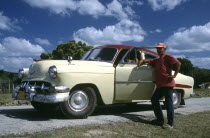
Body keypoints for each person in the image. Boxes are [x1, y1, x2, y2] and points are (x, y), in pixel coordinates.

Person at [137, 43, 181, 130]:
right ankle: (160, 120)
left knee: (168, 104)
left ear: (164, 49)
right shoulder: (157, 60)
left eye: (160, 48)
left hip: (167, 84)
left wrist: (174, 75)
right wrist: (142, 60)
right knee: (154, 99)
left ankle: (170, 123)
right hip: (160, 85)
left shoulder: (168, 56)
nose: (158, 50)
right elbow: (149, 61)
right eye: (157, 49)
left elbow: (178, 63)